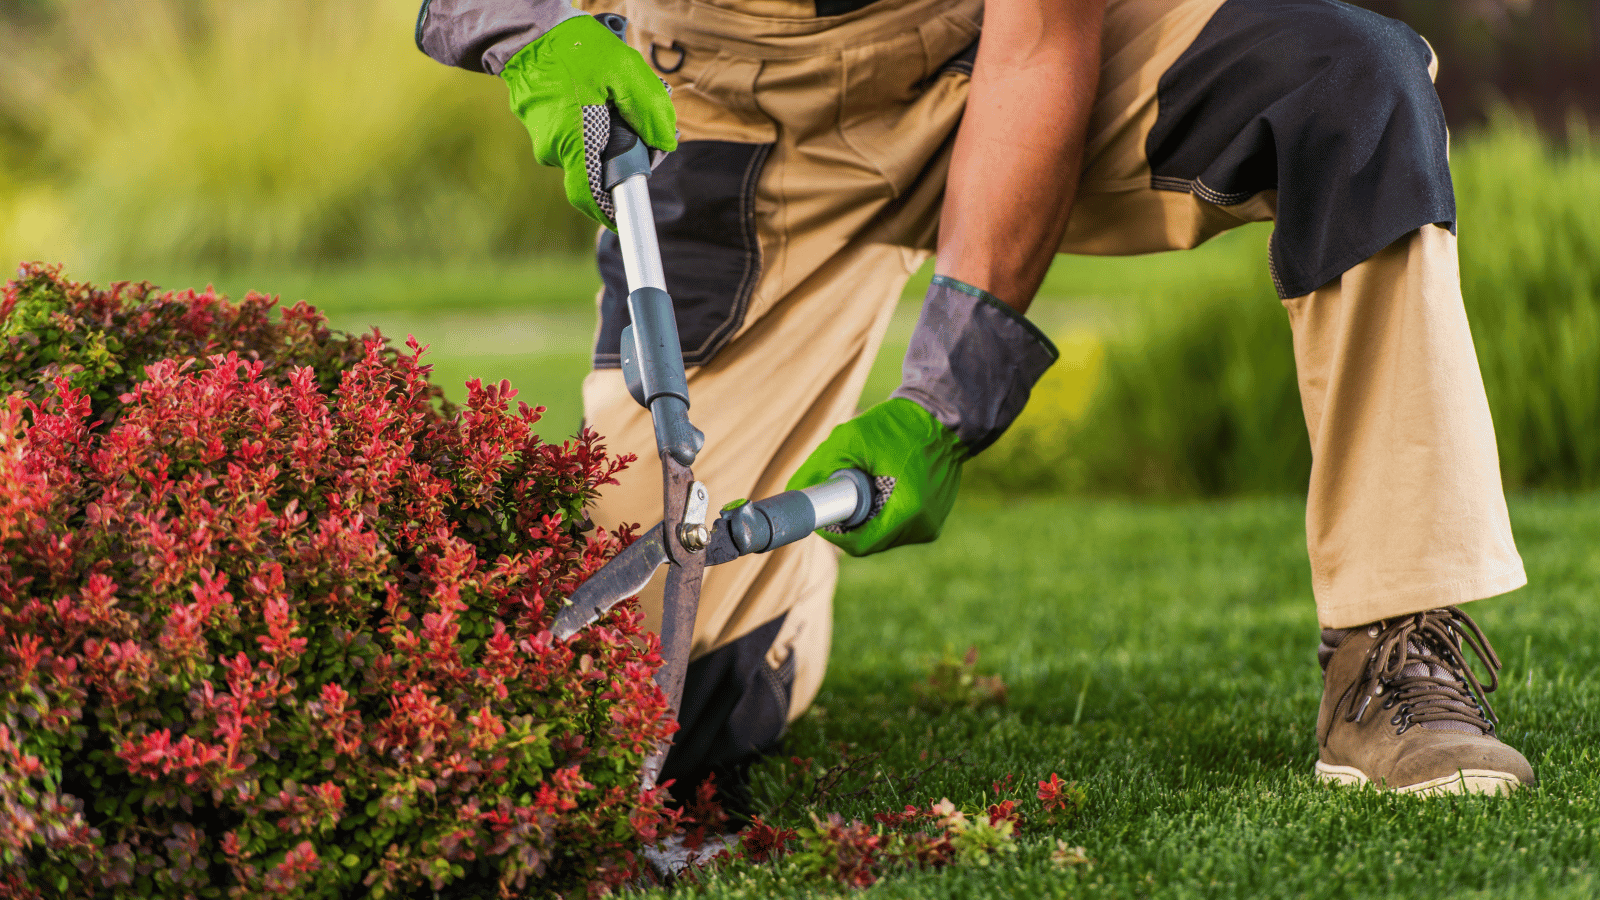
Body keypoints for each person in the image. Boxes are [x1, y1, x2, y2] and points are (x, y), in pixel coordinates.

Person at [416, 0, 1536, 814]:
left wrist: (946, 401)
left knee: (1350, 84)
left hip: (990, 50)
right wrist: (531, 29)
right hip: (731, 106)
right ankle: (775, 602)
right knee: (653, 700)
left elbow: (1041, 39)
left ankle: (1395, 642)